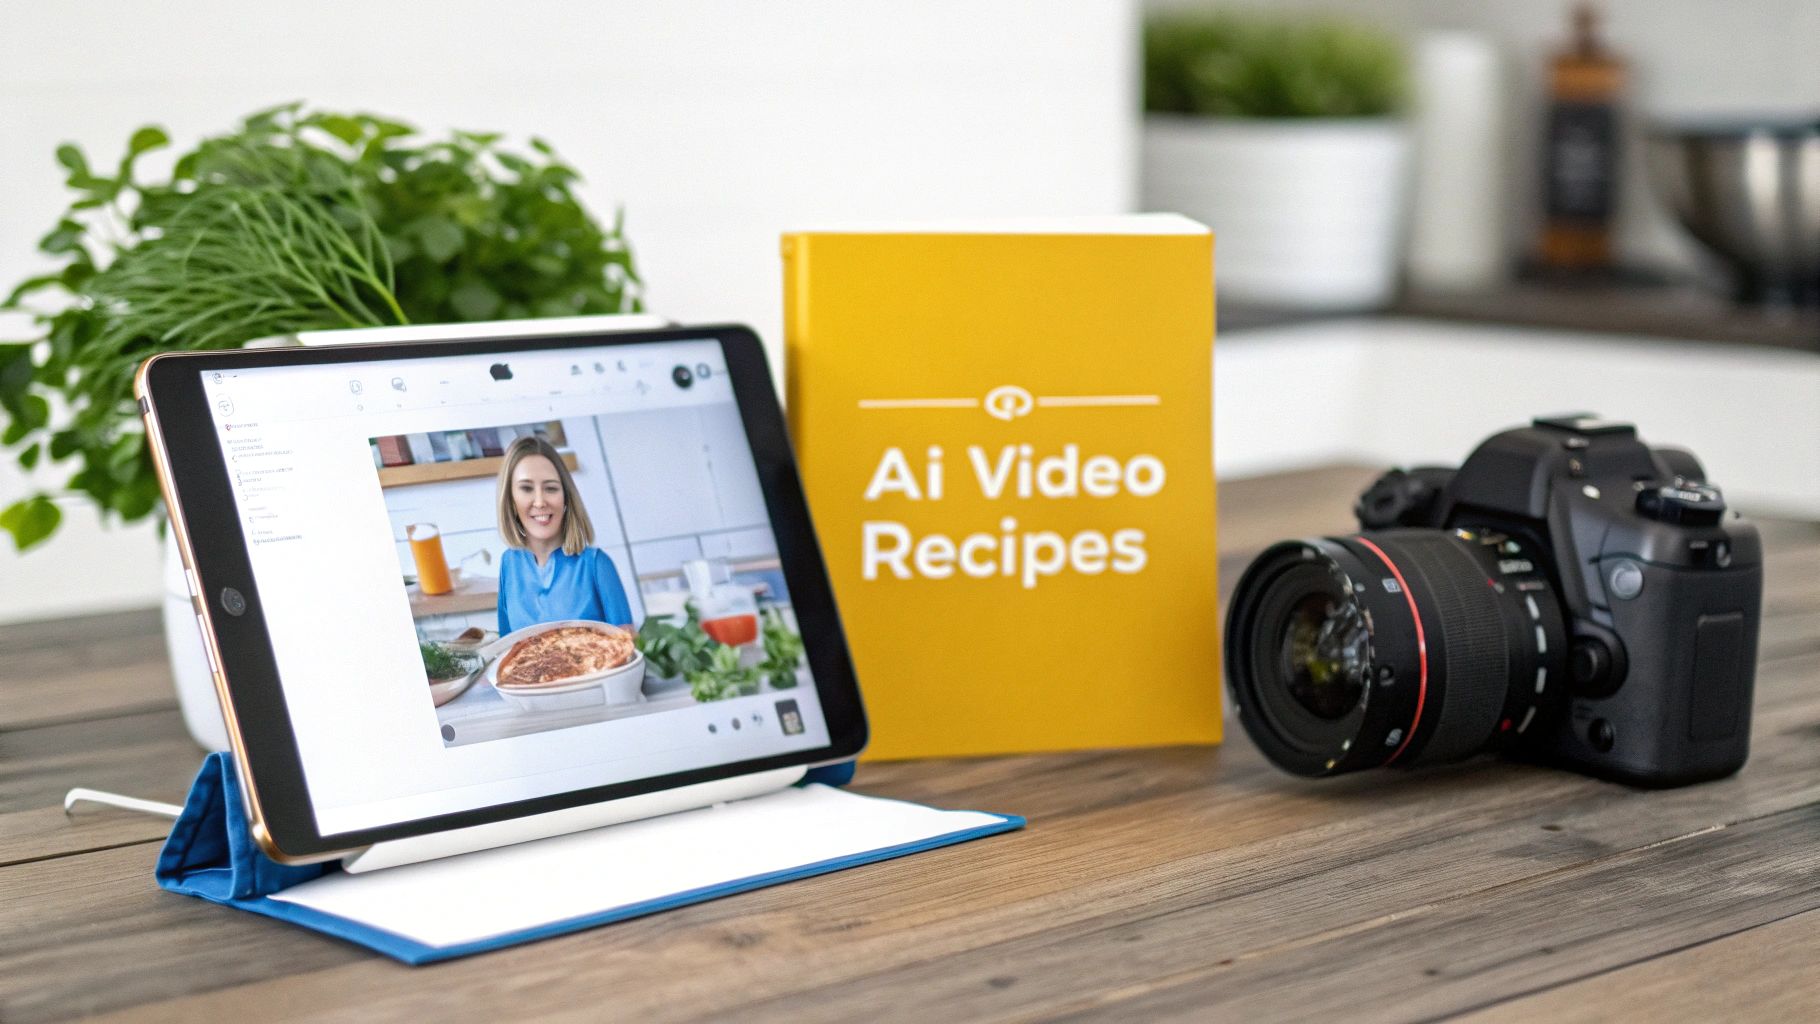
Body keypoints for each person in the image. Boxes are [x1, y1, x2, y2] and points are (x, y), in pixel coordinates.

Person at [493, 434, 634, 634]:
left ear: (566, 498)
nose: (540, 501)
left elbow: (626, 648)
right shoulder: (509, 564)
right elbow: (506, 649)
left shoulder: (597, 565)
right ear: (510, 500)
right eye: (526, 488)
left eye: (551, 488)